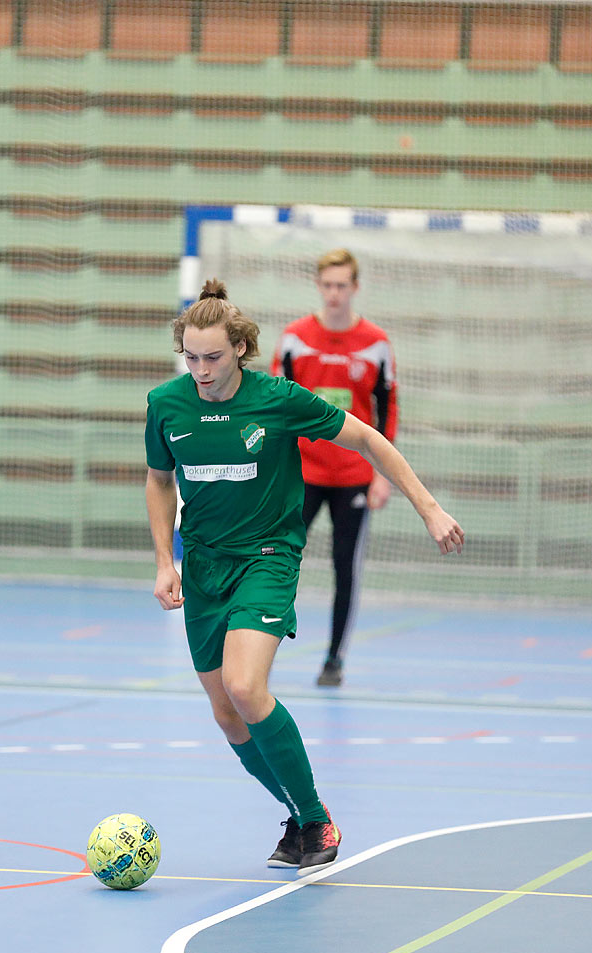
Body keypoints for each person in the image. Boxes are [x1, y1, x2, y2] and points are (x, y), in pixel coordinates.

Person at [145, 279, 462, 875]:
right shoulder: (166, 405)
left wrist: (429, 507)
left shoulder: (280, 399)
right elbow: (159, 480)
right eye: (190, 356)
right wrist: (166, 560)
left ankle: (316, 819)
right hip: (205, 566)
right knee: (225, 712)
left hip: (267, 556)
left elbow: (369, 439)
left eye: (213, 356)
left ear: (239, 348)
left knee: (245, 685)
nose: (201, 369)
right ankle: (297, 815)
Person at [272, 248, 397, 687]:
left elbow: (388, 411)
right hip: (301, 475)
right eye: (327, 285)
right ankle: (261, 649)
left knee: (346, 569)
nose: (334, 294)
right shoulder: (294, 338)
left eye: (342, 285)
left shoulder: (376, 343)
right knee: (277, 561)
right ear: (318, 286)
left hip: (354, 477)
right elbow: (274, 407)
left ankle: (334, 660)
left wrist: (382, 475)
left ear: (355, 288)